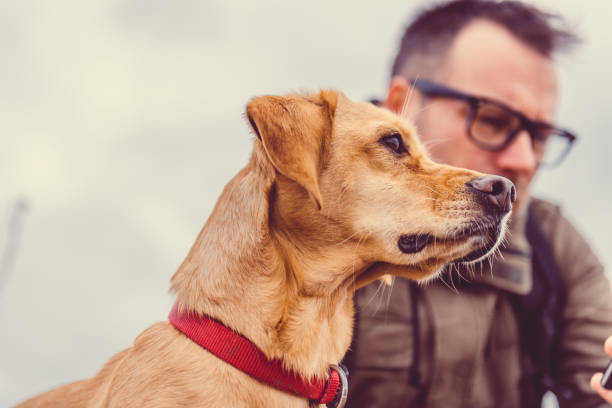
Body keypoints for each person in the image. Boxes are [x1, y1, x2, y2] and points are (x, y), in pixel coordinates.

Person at [342, 1, 612, 407]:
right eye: (492, 120)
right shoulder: (305, 226)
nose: (523, 162)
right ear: (400, 105)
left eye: (539, 136)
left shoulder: (553, 244)